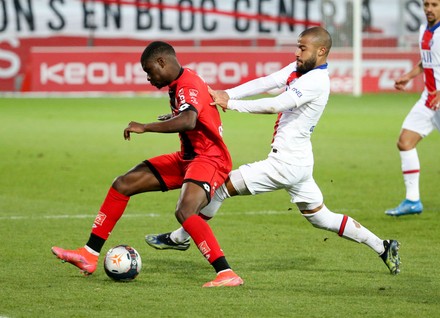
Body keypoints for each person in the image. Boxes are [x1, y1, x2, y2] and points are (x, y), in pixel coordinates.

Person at [145, 27, 401, 275]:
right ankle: (383, 246)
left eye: (303, 48)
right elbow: (267, 82)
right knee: (322, 218)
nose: (297, 53)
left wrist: (232, 104)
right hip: (299, 163)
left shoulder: (317, 81)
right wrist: (225, 94)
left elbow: (276, 105)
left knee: (220, 188)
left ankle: (180, 237)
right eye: (297, 47)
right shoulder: (300, 69)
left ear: (321, 51)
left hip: (285, 165)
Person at [51, 41, 243, 288]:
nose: (149, 78)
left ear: (162, 62)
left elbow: (188, 120)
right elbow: (191, 112)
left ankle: (226, 272)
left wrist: (146, 126)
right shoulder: (180, 84)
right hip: (188, 157)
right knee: (123, 184)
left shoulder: (187, 83)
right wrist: (175, 116)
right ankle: (88, 254)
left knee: (185, 211)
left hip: (209, 159)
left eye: (149, 71)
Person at [385, 0, 440, 216]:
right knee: (405, 142)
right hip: (429, 100)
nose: (429, 8)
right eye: (426, 4)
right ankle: (412, 200)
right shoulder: (424, 30)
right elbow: (427, 61)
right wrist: (408, 76)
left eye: (434, 4)